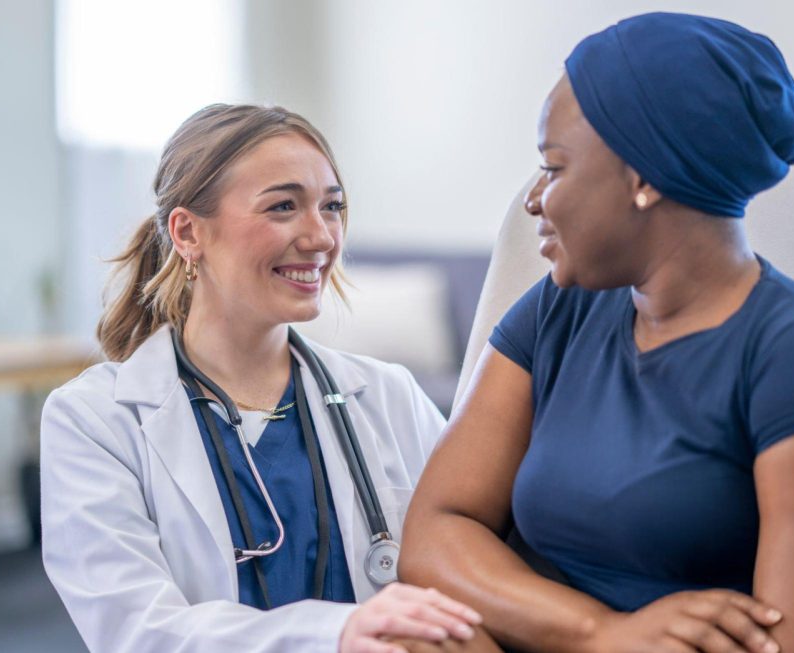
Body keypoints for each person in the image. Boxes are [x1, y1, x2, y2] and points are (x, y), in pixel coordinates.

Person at [400, 13, 794, 653]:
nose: (535, 198)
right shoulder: (559, 311)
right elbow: (436, 530)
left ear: (644, 177)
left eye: (555, 167)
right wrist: (600, 632)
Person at [40, 104, 486, 653]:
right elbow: (136, 630)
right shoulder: (94, 421)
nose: (321, 237)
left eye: (332, 207)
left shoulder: (388, 395)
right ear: (188, 232)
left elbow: (466, 560)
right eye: (283, 206)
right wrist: (335, 633)